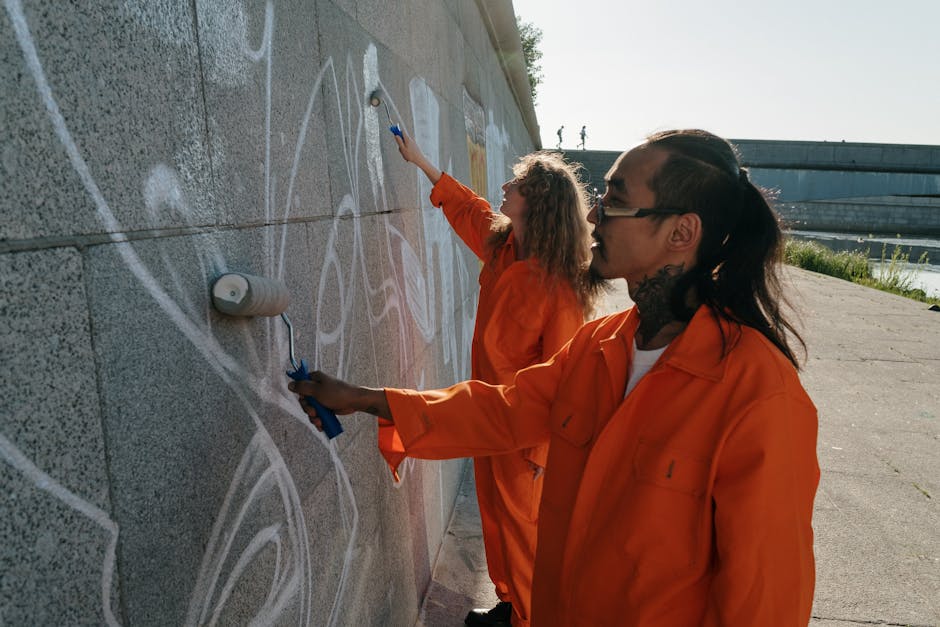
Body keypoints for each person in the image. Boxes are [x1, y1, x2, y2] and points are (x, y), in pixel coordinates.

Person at [291, 129, 820, 626]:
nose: (593, 214)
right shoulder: (598, 348)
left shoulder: (759, 396)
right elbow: (503, 408)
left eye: (615, 199)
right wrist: (365, 399)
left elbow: (764, 602)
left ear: (682, 232)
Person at [378, 130, 599, 627]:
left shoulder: (559, 285)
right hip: (489, 418)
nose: (505, 186)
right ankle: (510, 605)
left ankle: (529, 617)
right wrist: (421, 160)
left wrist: (544, 455)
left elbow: (568, 376)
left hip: (526, 434)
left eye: (516, 183)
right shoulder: (503, 246)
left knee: (525, 532)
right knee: (495, 520)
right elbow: (467, 208)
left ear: (536, 202)